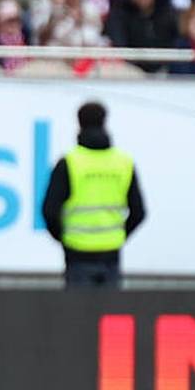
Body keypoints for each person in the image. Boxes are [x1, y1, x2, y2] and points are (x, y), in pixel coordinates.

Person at [41, 101, 146, 289]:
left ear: (79, 123)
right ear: (105, 121)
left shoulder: (69, 163)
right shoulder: (123, 163)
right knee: (110, 313)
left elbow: (49, 210)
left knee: (78, 315)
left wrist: (64, 238)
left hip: (77, 251)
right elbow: (139, 212)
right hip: (111, 251)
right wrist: (119, 235)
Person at [105, 0, 178, 71]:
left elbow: (176, 44)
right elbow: (119, 46)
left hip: (166, 71)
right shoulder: (118, 13)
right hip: (131, 72)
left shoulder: (168, 11)